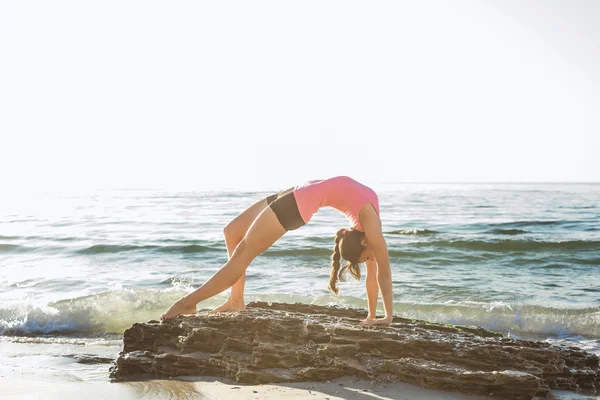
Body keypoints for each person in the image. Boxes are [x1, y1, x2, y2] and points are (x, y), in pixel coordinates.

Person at [160, 176, 393, 325]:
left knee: (242, 252)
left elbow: (373, 277)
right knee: (232, 232)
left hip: (298, 196)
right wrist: (389, 317)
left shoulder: (366, 229)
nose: (372, 259)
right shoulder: (372, 228)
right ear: (364, 244)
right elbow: (384, 273)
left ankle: (188, 302)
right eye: (368, 258)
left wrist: (375, 317)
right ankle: (235, 300)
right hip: (296, 197)